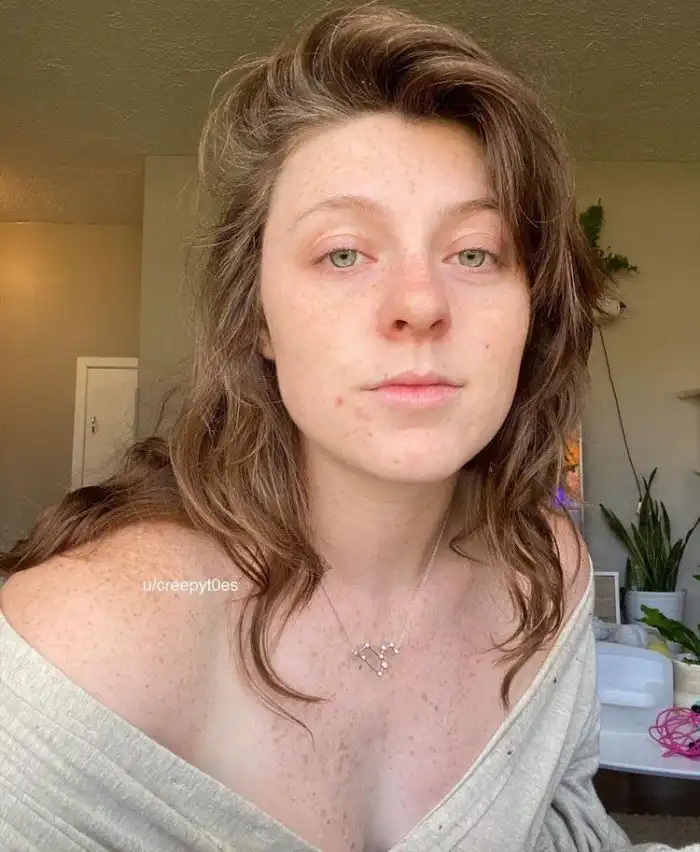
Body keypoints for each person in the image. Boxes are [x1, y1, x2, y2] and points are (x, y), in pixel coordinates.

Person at [0, 5, 689, 852]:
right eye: (343, 253)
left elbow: (570, 831)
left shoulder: (552, 573)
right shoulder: (81, 646)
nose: (420, 304)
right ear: (258, 318)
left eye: (474, 252)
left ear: (531, 309)